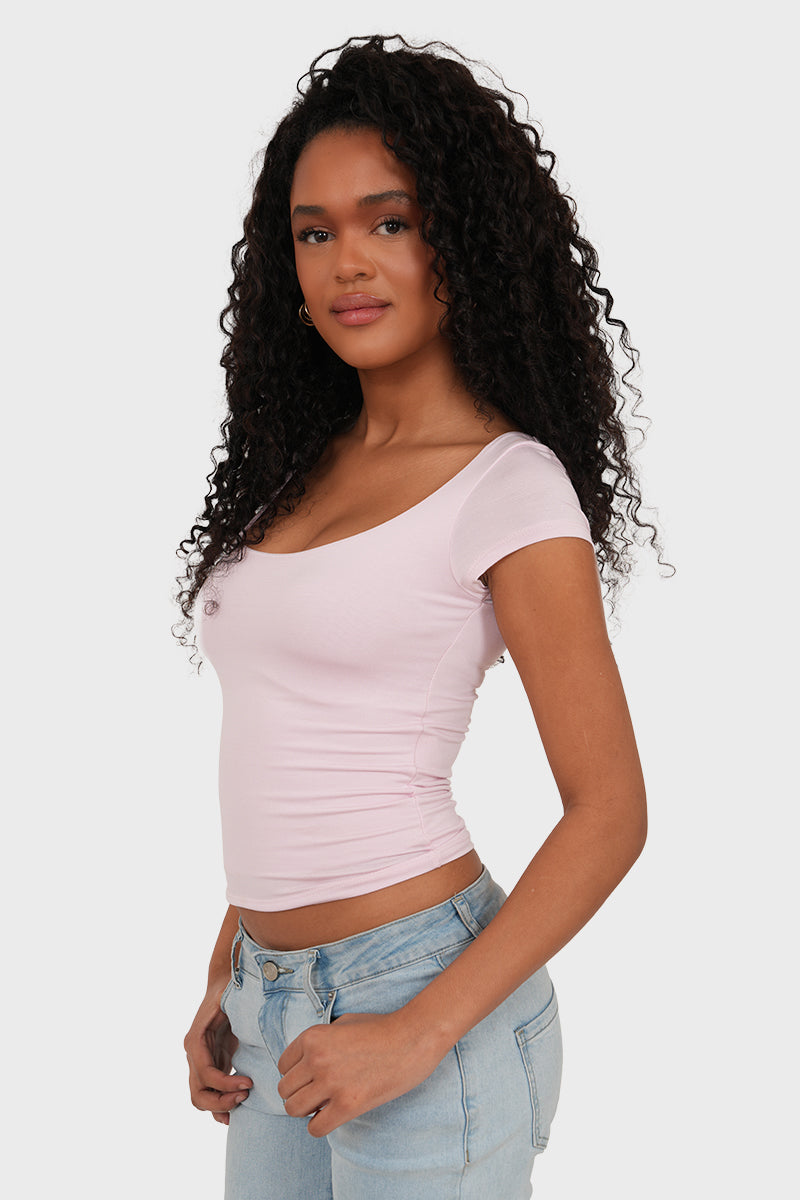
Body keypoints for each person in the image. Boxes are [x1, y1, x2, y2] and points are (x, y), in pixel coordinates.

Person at [173, 34, 663, 1200]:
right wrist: (229, 965)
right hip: (268, 1002)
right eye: (314, 232)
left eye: (388, 221)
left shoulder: (507, 486)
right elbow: (294, 741)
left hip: (420, 995)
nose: (348, 262)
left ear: (461, 239)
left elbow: (609, 812)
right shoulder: (296, 473)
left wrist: (417, 1030)